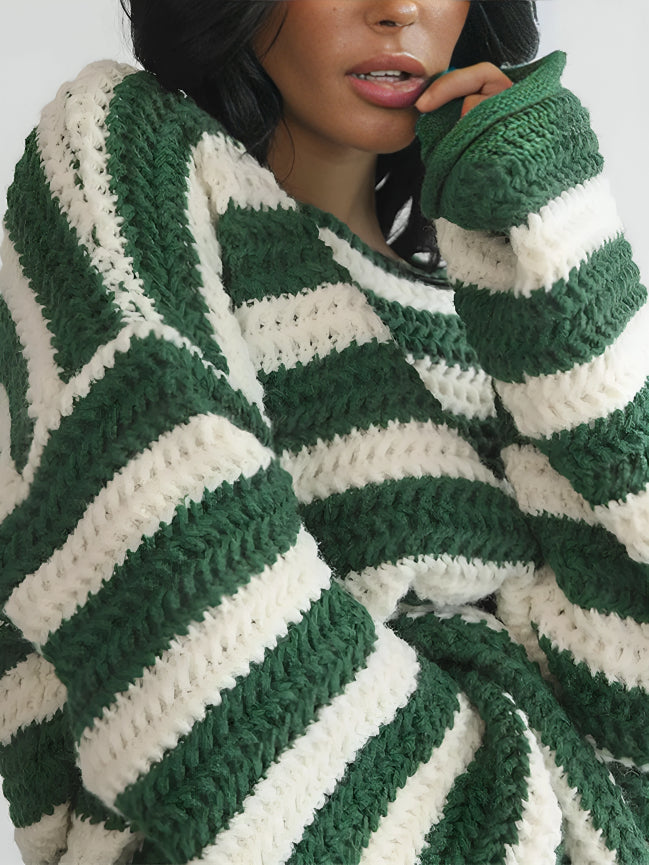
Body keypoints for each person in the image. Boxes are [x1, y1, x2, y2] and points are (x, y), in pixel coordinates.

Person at [0, 1, 647, 862]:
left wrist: (561, 254)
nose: (399, 9)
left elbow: (628, 730)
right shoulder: (125, 152)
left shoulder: (488, 315)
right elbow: (188, 623)